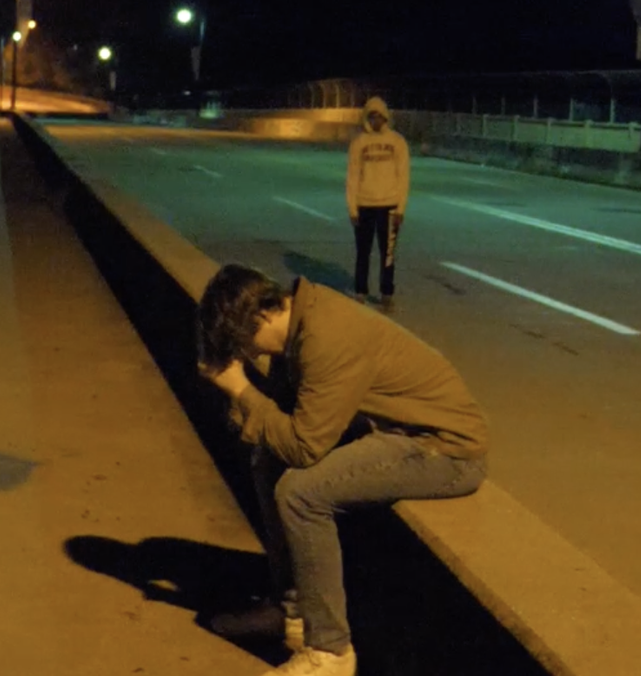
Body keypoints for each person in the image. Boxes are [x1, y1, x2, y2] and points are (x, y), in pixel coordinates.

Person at [195, 264, 489, 676]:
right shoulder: (299, 325)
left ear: (259, 316)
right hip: (394, 430)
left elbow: (303, 446)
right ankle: (292, 610)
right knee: (268, 461)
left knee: (300, 493)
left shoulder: (326, 337)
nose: (249, 354)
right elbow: (280, 420)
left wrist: (240, 389)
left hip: (444, 450)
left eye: (242, 343)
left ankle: (330, 651)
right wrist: (241, 402)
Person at [343, 97, 409, 311]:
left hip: (390, 207)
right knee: (363, 252)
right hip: (364, 205)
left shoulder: (397, 142)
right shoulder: (359, 143)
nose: (375, 120)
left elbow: (403, 176)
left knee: (387, 254)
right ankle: (360, 291)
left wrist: (401, 209)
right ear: (366, 118)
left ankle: (386, 293)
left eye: (379, 116)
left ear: (385, 117)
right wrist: (352, 208)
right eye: (371, 116)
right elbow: (352, 176)